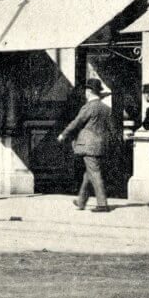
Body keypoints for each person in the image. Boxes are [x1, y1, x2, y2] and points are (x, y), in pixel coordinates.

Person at [58, 78, 116, 212]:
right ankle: (81, 201)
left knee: (94, 173)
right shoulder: (106, 109)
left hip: (89, 145)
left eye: (86, 90)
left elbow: (76, 122)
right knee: (89, 174)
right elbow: (112, 128)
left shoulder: (89, 107)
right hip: (101, 145)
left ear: (89, 92)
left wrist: (64, 134)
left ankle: (102, 204)